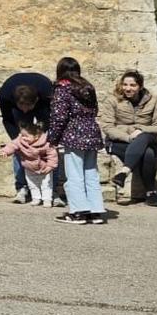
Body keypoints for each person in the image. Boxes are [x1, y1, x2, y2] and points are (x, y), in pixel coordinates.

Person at [45, 57, 107, 226]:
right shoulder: (87, 87)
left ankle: (78, 212)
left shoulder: (62, 89)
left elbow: (59, 116)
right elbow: (95, 110)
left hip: (74, 133)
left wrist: (53, 138)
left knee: (74, 175)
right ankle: (96, 211)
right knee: (91, 174)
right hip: (92, 132)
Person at [101, 70, 157, 206]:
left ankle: (124, 172)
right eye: (125, 85)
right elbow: (107, 126)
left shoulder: (152, 101)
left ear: (140, 86)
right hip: (120, 141)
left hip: (147, 138)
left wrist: (141, 130)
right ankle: (150, 192)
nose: (128, 88)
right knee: (147, 153)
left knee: (144, 137)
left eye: (132, 85)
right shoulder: (113, 100)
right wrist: (128, 137)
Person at [0, 70, 56, 199]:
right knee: (20, 147)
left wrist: (46, 138)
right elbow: (7, 120)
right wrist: (18, 141)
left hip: (43, 108)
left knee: (48, 148)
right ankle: (22, 187)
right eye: (22, 105)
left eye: (28, 106)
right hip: (14, 107)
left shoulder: (47, 93)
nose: (25, 109)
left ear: (36, 100)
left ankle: (52, 189)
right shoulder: (4, 96)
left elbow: (54, 118)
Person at [0, 119, 59, 207]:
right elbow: (12, 145)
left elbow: (52, 155)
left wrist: (50, 166)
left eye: (26, 136)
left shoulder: (46, 142)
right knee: (32, 184)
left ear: (36, 136)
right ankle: (36, 198)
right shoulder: (21, 140)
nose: (23, 137)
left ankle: (47, 199)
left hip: (44, 167)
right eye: (22, 135)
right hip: (29, 167)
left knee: (46, 184)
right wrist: (5, 151)